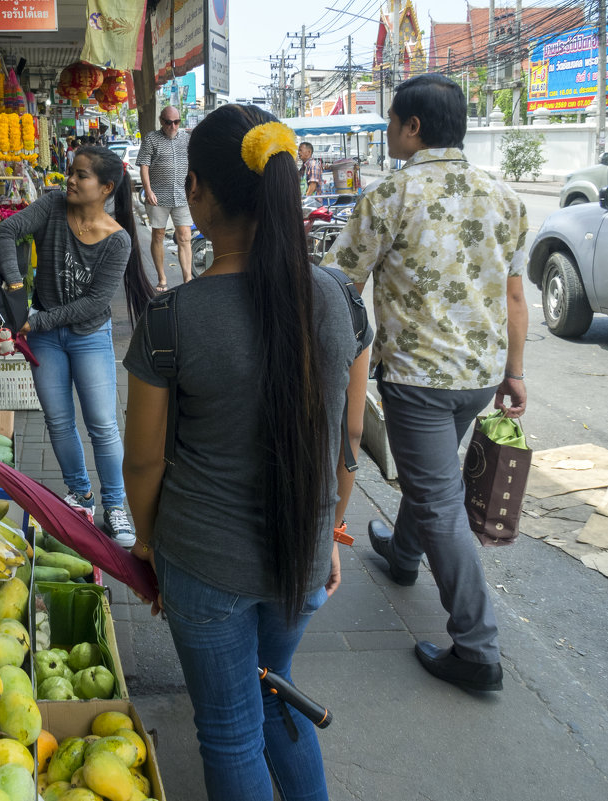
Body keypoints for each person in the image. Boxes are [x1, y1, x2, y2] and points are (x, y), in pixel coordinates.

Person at [123, 105, 359, 801]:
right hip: (303, 550)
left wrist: (144, 541)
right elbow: (344, 441)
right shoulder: (335, 296)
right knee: (275, 687)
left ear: (194, 191)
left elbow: (143, 463)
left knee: (228, 729)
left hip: (202, 559)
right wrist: (332, 530)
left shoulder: (171, 318)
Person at [320, 73, 528, 692]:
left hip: (418, 380)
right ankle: (403, 554)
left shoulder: (392, 197)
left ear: (412, 128)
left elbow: (336, 286)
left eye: (391, 121)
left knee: (438, 498)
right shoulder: (505, 197)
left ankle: (477, 648)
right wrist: (515, 373)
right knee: (432, 476)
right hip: (481, 376)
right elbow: (516, 297)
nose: (389, 131)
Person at [0, 145, 153, 547]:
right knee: (58, 421)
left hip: (89, 338)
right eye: (71, 172)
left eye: (81, 175)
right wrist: (15, 288)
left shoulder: (118, 241)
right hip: (45, 336)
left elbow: (95, 304)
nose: (71, 181)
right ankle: (80, 494)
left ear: (106, 187)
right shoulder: (51, 206)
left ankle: (115, 506)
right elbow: (5, 232)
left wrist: (34, 319)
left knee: (102, 425)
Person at [137, 106, 192, 290]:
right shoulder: (151, 139)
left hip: (182, 195)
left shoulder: (186, 138)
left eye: (176, 122)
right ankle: (162, 278)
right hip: (158, 195)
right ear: (161, 121)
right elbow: (144, 165)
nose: (173, 126)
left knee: (184, 236)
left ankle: (188, 279)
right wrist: (148, 190)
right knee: (158, 235)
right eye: (169, 122)